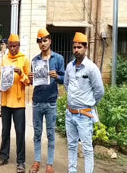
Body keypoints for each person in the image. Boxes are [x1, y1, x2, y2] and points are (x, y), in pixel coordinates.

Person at [64, 32, 104, 173]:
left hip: (84, 115)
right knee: (72, 145)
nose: (76, 50)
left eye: (79, 47)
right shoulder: (69, 66)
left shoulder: (91, 68)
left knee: (87, 148)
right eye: (74, 47)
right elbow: (66, 84)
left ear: (85, 48)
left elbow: (100, 91)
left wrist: (89, 103)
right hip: (70, 113)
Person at [28, 29, 65, 173]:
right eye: (40, 41)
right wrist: (31, 79)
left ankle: (49, 164)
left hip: (51, 102)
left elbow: (64, 79)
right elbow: (33, 83)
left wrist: (57, 76)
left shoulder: (58, 59)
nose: (42, 44)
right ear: (38, 44)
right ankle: (37, 161)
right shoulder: (35, 61)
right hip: (37, 101)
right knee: (37, 133)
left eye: (45, 40)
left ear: (50, 41)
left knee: (50, 134)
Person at [0, 34, 30, 173]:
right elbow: (1, 78)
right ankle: (4, 156)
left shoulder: (24, 59)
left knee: (20, 132)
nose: (13, 49)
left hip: (19, 103)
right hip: (6, 101)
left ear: (19, 46)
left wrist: (21, 74)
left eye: (15, 46)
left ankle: (21, 162)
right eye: (10, 46)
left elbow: (28, 82)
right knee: (5, 131)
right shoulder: (4, 59)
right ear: (7, 46)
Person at [0, 38, 8, 118]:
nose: (1, 46)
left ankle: (5, 111)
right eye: (1, 44)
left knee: (5, 94)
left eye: (3, 44)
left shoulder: (9, 53)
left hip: (6, 77)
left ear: (6, 45)